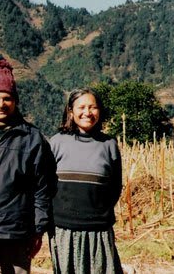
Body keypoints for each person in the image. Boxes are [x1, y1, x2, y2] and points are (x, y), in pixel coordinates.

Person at [0, 58, 57, 274]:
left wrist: (38, 229)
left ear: (15, 101)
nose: (1, 104)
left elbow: (44, 188)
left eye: (7, 98)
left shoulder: (32, 138)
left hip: (17, 232)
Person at [48, 88, 123, 274]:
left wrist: (98, 211)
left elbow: (114, 187)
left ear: (100, 111)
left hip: (98, 229)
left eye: (93, 107)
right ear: (70, 112)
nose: (87, 113)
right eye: (81, 107)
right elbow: (46, 184)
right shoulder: (57, 142)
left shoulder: (109, 145)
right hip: (64, 229)